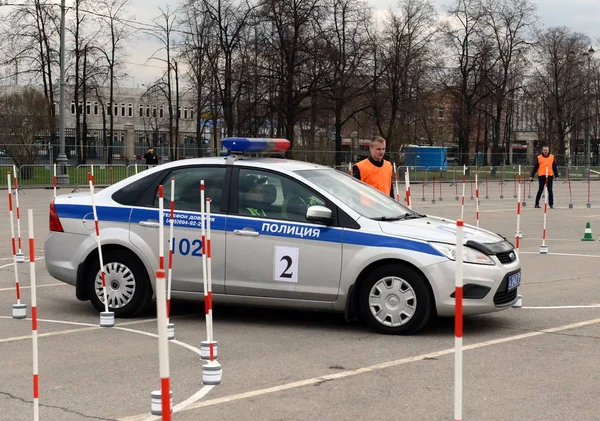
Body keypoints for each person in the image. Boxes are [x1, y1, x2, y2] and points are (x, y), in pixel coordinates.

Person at [530, 145, 559, 209]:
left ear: (548, 150)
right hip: (541, 176)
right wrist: (531, 176)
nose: (545, 151)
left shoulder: (552, 157)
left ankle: (551, 204)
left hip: (549, 176)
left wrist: (556, 175)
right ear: (542, 151)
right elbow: (535, 167)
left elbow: (554, 167)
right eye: (544, 150)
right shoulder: (539, 157)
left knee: (550, 191)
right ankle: (536, 204)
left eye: (546, 150)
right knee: (540, 190)